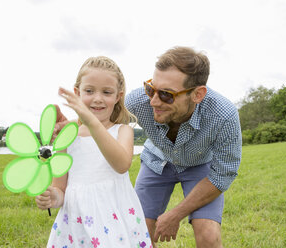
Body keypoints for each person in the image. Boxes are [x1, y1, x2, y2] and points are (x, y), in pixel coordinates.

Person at [124, 46, 242, 248]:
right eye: (151, 88)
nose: (153, 101)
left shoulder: (224, 116)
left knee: (208, 235)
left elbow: (222, 175)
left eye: (166, 95)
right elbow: (101, 119)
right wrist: (70, 125)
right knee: (138, 235)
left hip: (199, 166)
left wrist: (175, 215)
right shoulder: (137, 102)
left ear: (198, 94)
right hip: (157, 161)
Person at [35, 56, 152, 248]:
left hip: (115, 222)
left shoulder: (123, 131)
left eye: (107, 92)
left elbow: (121, 165)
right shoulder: (68, 136)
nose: (98, 98)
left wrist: (90, 120)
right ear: (77, 93)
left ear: (118, 96)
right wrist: (53, 197)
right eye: (89, 91)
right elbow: (60, 188)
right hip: (77, 223)